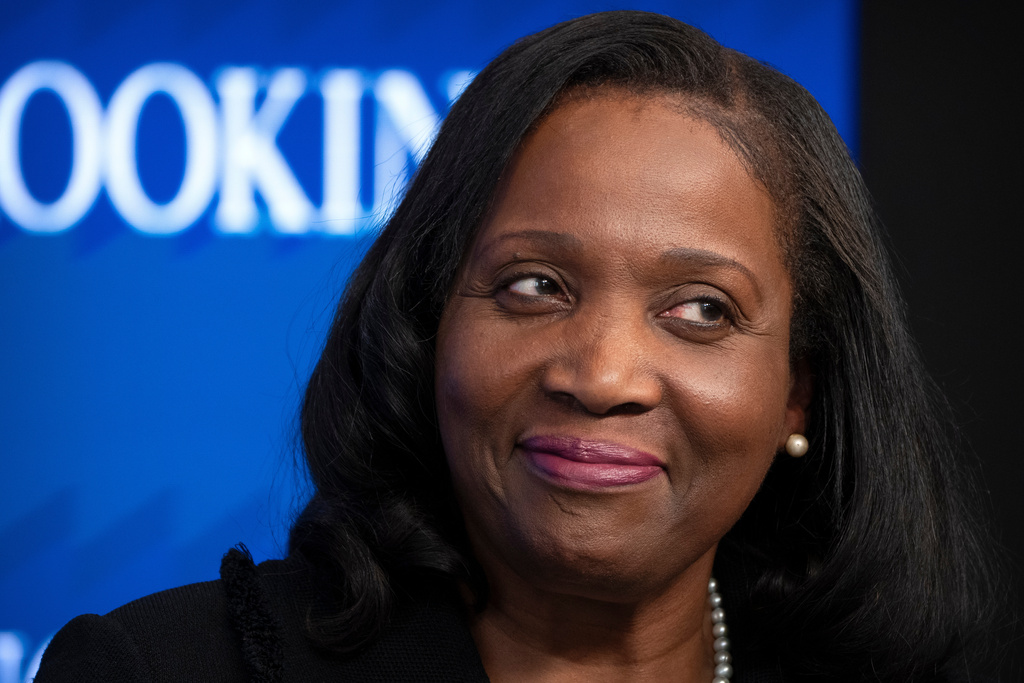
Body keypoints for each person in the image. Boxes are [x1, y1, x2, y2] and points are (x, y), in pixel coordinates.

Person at [35, 11, 1000, 682]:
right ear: (428, 329)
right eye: (534, 286)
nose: (601, 374)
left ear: (800, 390)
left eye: (701, 309)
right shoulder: (162, 671)